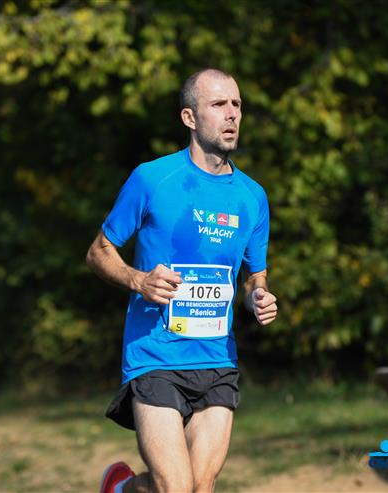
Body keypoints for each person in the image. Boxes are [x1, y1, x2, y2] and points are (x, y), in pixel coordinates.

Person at [87, 68, 278, 493]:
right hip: (156, 356)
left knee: (200, 485)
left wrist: (258, 297)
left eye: (237, 104)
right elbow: (98, 251)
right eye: (218, 104)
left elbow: (255, 275)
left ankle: (122, 488)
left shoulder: (252, 196)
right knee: (176, 487)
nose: (232, 114)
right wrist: (139, 280)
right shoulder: (153, 179)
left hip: (218, 359)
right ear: (189, 117)